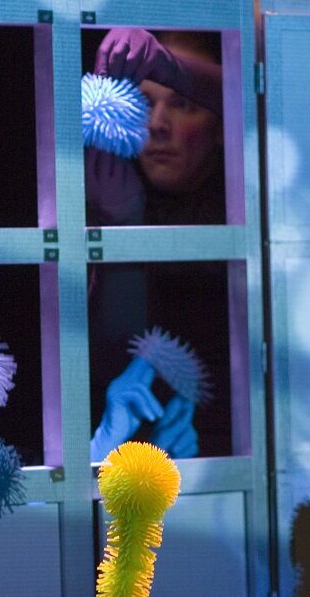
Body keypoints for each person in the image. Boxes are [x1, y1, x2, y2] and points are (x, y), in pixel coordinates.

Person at [86, 28, 231, 461]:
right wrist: (121, 223)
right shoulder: (106, 193)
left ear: (223, 123)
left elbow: (259, 94)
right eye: (146, 103)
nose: (156, 125)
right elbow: (112, 357)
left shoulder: (252, 202)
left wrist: (169, 65)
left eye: (183, 103)